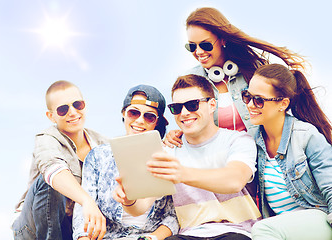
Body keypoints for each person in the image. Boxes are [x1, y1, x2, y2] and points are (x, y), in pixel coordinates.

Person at [114, 75, 261, 240]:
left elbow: (234, 181)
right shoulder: (167, 151)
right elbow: (141, 206)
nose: (184, 113)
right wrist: (128, 200)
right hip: (189, 234)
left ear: (212, 104)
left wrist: (181, 173)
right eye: (176, 108)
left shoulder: (238, 140)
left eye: (192, 105)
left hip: (237, 232)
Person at [165, 6, 305, 145]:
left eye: (206, 45)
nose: (199, 52)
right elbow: (188, 118)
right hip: (219, 161)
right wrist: (177, 133)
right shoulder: (191, 80)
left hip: (260, 156)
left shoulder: (254, 71)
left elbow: (278, 111)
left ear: (223, 40)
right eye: (192, 46)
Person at [72, 85, 179, 240]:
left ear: (157, 122)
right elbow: (83, 211)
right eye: (134, 113)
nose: (140, 121)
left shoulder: (166, 156)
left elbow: (172, 216)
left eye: (149, 116)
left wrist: (152, 238)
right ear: (124, 113)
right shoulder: (98, 157)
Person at [241, 63, 332, 240]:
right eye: (247, 96)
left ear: (283, 104)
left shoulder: (306, 136)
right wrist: (182, 134)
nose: (250, 105)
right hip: (282, 228)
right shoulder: (252, 140)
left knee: (261, 230)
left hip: (319, 220)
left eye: (259, 100)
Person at [12, 80, 108, 240]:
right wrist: (87, 201)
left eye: (78, 104)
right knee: (50, 182)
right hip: (31, 227)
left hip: (71, 226)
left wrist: (165, 140)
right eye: (63, 109)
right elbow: (52, 169)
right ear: (51, 116)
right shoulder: (46, 139)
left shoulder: (103, 143)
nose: (73, 112)